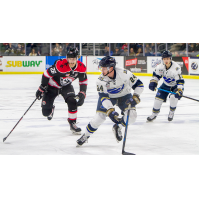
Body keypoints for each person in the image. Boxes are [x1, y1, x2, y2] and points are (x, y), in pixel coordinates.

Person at [76, 56, 144, 146]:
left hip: (124, 95)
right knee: (99, 117)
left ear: (111, 68)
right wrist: (110, 110)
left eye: (104, 68)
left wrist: (136, 96)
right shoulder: (100, 80)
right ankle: (86, 135)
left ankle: (118, 126)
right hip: (109, 97)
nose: (102, 70)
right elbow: (103, 97)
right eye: (101, 68)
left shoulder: (124, 73)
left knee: (132, 116)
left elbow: (139, 85)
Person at [35, 48, 87, 134]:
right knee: (45, 113)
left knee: (72, 101)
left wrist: (83, 92)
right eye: (70, 59)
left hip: (66, 86)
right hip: (52, 86)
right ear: (67, 58)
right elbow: (46, 74)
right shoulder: (60, 65)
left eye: (73, 59)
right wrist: (42, 87)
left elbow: (83, 81)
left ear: (77, 58)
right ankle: (50, 109)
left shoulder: (81, 67)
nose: (71, 61)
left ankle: (72, 123)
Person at [147, 50, 184, 122]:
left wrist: (179, 90)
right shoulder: (160, 67)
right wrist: (153, 82)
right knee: (157, 99)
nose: (166, 60)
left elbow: (179, 81)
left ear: (170, 59)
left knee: (173, 98)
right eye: (164, 59)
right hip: (165, 85)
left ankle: (171, 112)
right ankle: (154, 114)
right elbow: (156, 75)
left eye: (167, 58)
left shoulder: (176, 67)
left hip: (175, 86)